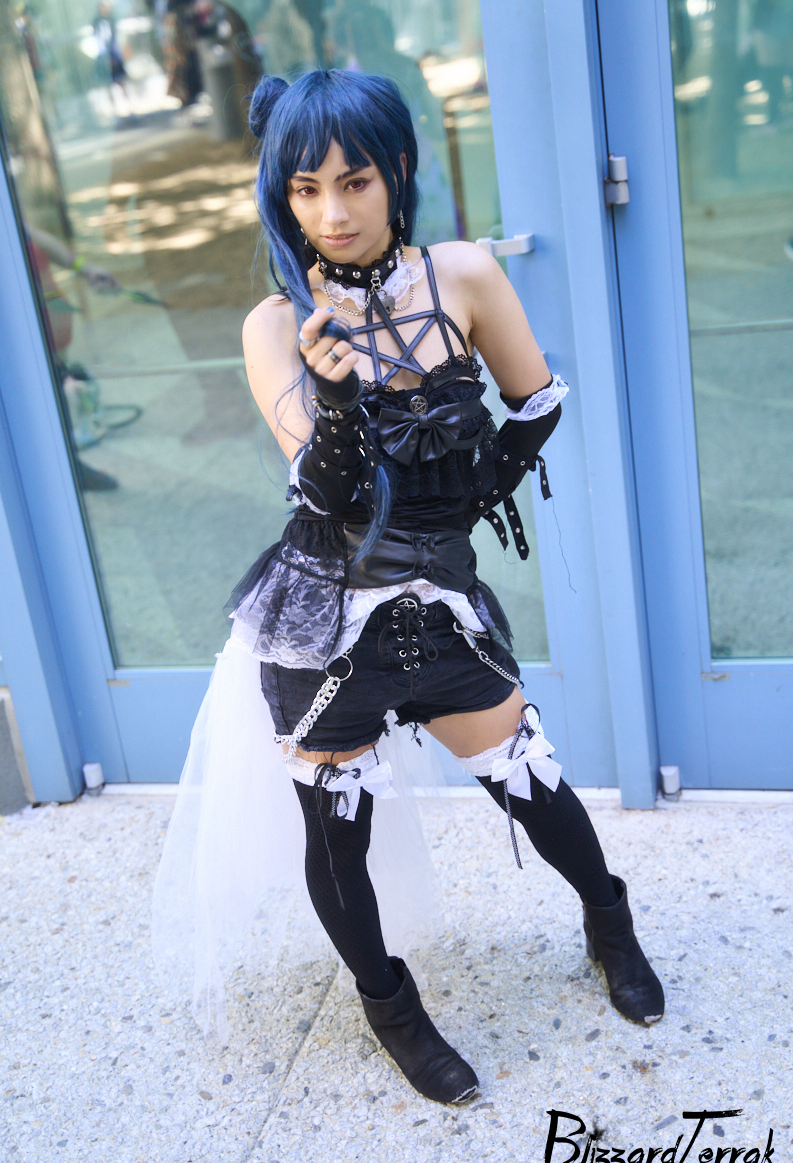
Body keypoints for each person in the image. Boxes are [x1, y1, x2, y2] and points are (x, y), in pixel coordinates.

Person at [155, 69, 664, 1107]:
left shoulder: (463, 275)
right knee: (336, 835)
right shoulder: (274, 325)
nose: (332, 214)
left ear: (397, 169)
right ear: (282, 196)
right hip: (322, 622)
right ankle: (390, 1007)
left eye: (353, 181)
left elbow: (535, 403)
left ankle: (609, 924)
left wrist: (467, 503)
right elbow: (326, 492)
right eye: (305, 190)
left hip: (439, 607)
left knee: (531, 779)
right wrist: (337, 395)